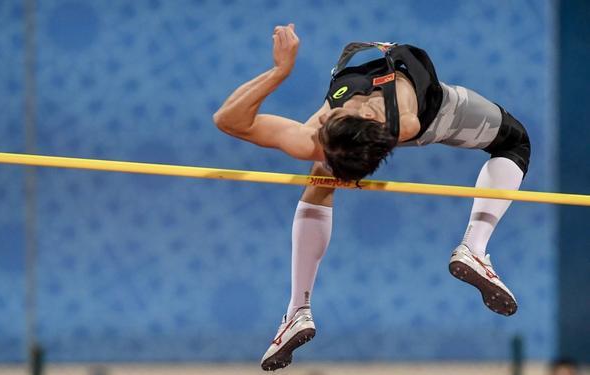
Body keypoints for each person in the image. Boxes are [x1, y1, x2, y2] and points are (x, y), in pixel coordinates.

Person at [213, 24, 530, 371]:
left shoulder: (317, 138)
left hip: (415, 120)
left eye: (326, 119)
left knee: (320, 176)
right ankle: (474, 247)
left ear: (360, 115)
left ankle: (297, 309)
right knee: (514, 142)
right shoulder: (374, 124)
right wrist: (282, 73)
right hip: (434, 113)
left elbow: (231, 120)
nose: (322, 117)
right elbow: (230, 121)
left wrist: (282, 72)